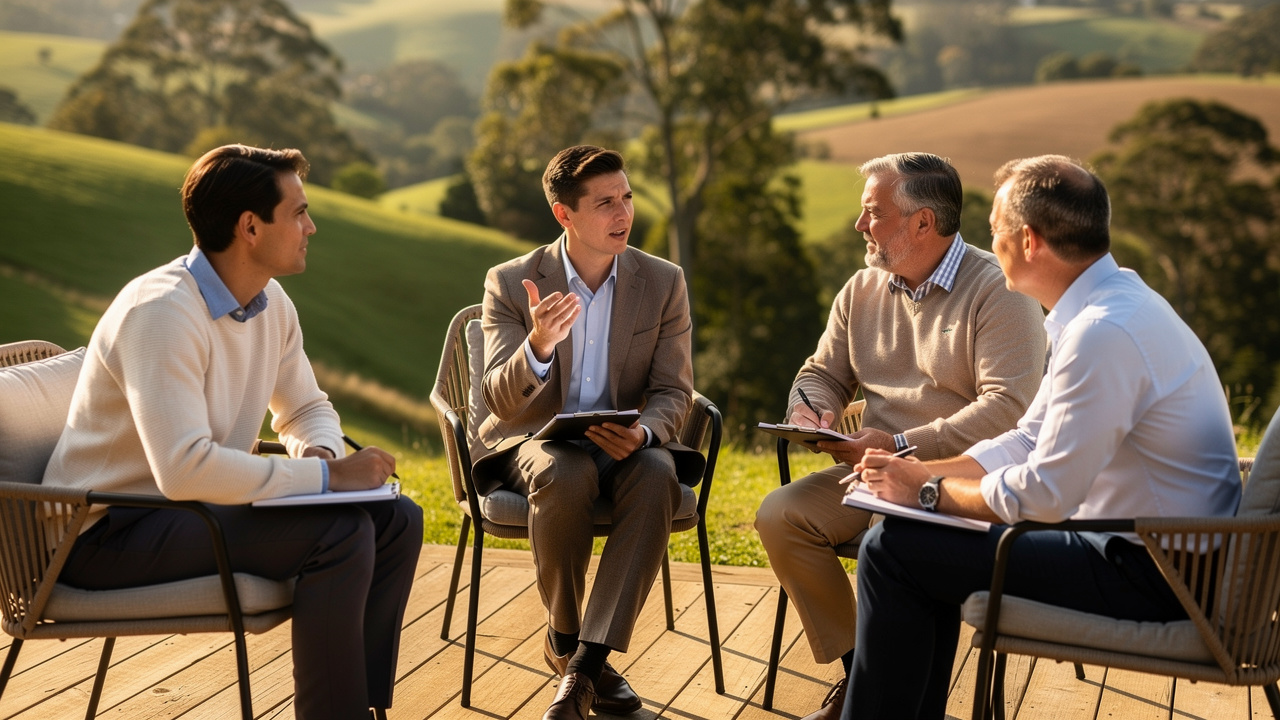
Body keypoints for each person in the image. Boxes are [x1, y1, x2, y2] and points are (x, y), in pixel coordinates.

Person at [842, 155, 1241, 718]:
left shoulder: (1102, 333)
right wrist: (921, 472)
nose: (989, 245)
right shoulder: (1110, 309)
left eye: (994, 230)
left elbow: (1045, 495)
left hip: (1155, 573)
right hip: (1150, 552)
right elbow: (1028, 439)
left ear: (1028, 241)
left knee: (893, 550)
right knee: (907, 540)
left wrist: (925, 493)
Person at [42, 144, 423, 720]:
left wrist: (319, 453)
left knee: (398, 519)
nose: (311, 227)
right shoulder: (162, 311)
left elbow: (305, 407)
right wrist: (327, 479)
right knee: (339, 532)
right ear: (250, 227)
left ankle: (360, 707)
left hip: (189, 512)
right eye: (298, 213)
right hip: (101, 534)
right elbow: (183, 469)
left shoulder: (270, 303)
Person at [753, 152, 1046, 720]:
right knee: (781, 515)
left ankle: (878, 692)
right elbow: (821, 373)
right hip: (873, 470)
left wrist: (900, 446)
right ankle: (862, 674)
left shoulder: (1000, 291)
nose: (859, 224)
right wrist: (809, 409)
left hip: (958, 481)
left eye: (873, 212)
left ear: (922, 223)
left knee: (887, 539)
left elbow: (1009, 410)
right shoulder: (861, 289)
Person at [471, 145, 703, 720]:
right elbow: (499, 400)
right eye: (605, 203)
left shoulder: (663, 281)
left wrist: (646, 434)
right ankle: (566, 632)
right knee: (565, 471)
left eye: (627, 197)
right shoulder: (512, 282)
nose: (623, 213)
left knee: (658, 473)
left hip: (624, 444)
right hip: (534, 442)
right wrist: (539, 345)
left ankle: (582, 666)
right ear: (564, 214)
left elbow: (674, 391)